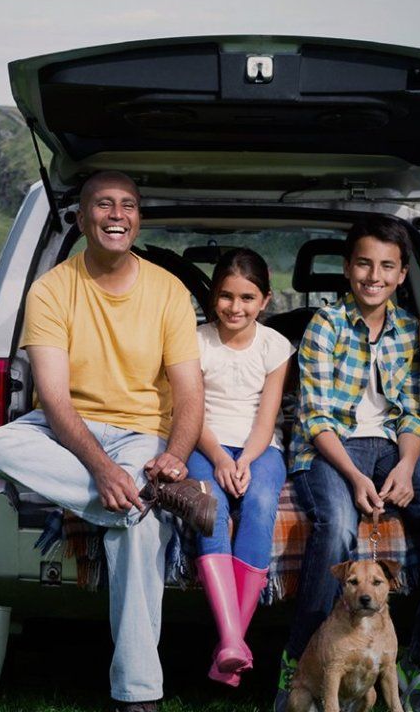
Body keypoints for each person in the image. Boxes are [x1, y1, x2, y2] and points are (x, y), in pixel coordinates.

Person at [0, 170, 215, 712]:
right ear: (82, 219)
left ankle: (138, 697)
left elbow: (189, 391)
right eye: (103, 205)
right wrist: (102, 472)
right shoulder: (52, 289)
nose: (116, 215)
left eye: (127, 205)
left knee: (134, 533)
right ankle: (144, 499)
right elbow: (54, 400)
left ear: (138, 219)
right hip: (68, 431)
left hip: (140, 432)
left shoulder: (168, 291)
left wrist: (175, 457)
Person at [277, 217, 420, 705]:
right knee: (340, 521)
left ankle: (416, 655)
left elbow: (411, 412)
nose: (374, 275)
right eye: (364, 263)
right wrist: (355, 476)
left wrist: (406, 466)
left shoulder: (408, 329)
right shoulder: (325, 324)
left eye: (387, 266)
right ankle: (297, 659)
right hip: (333, 447)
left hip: (391, 445)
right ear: (347, 269)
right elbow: (316, 416)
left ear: (403, 274)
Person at [186, 248, 293, 688]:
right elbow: (190, 411)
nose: (236, 307)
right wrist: (219, 458)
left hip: (259, 446)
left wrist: (246, 459)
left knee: (263, 500)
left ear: (265, 300)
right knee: (209, 508)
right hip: (204, 441)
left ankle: (230, 644)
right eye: (226, 296)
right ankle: (232, 640)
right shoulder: (194, 341)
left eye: (247, 298)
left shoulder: (275, 346)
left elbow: (267, 418)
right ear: (214, 297)